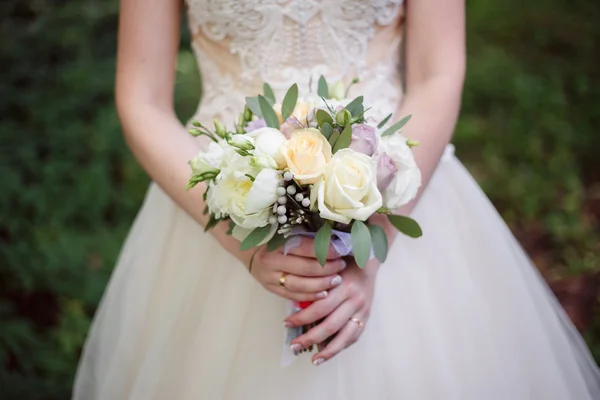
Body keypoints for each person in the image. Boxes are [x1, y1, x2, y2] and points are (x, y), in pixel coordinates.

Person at [73, 0, 600, 399]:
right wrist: (244, 243)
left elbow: (438, 74)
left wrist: (373, 241)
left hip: (393, 189)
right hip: (217, 203)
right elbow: (141, 99)